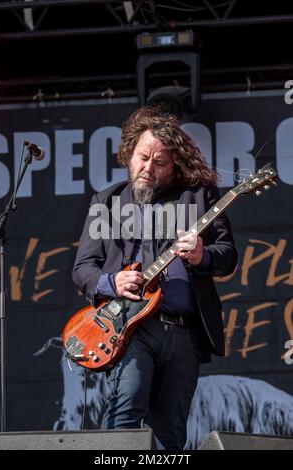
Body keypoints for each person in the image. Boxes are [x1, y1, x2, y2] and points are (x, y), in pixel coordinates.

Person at [72, 105, 238, 450]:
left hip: (184, 331)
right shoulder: (107, 201)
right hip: (132, 328)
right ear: (129, 152)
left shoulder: (200, 196)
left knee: (171, 432)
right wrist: (112, 282)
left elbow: (228, 257)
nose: (148, 168)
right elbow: (83, 269)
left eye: (159, 162)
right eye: (142, 157)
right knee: (124, 419)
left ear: (174, 164)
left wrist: (201, 255)